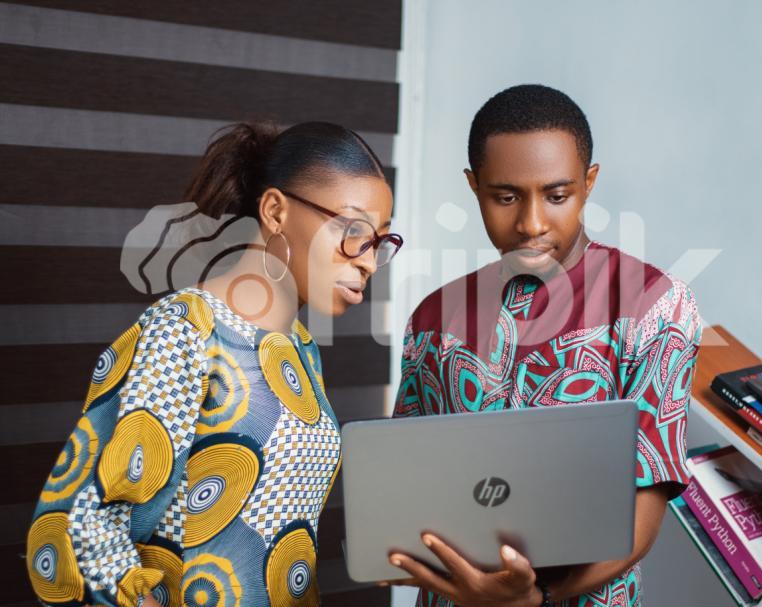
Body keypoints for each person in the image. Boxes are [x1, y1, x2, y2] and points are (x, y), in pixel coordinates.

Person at [25, 121, 401, 606]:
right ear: (275, 211)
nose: (369, 261)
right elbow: (91, 528)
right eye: (354, 233)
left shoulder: (299, 348)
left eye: (381, 242)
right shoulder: (187, 328)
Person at [390, 85, 702, 606]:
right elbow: (408, 482)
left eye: (558, 196)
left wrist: (534, 598)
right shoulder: (433, 319)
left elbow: (642, 513)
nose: (532, 223)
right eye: (505, 197)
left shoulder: (655, 307)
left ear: (589, 182)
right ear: (474, 186)